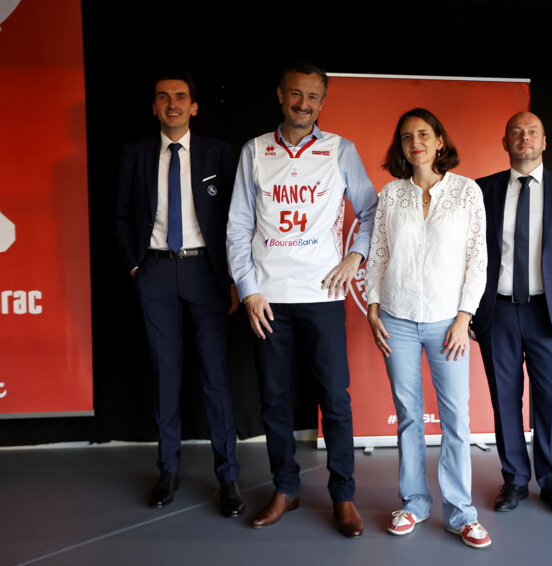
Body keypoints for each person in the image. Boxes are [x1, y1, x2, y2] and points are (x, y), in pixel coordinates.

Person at [226, 62, 377, 538]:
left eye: (313, 97)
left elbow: (371, 210)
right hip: (269, 299)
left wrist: (356, 254)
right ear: (280, 95)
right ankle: (285, 489)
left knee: (334, 399)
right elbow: (237, 226)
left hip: (323, 294)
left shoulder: (340, 150)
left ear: (322, 102)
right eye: (296, 94)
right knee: (273, 398)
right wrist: (248, 290)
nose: (303, 104)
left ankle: (344, 496)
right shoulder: (255, 150)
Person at [115, 72, 244, 517]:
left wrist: (230, 279)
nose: (172, 104)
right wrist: (136, 267)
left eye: (181, 97)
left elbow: (234, 218)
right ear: (154, 107)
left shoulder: (217, 152)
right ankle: (167, 470)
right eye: (163, 97)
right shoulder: (135, 152)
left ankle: (228, 476)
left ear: (194, 107)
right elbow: (122, 215)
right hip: (154, 272)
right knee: (164, 375)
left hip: (205, 274)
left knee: (215, 378)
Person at [365, 108, 491, 549]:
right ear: (400, 147)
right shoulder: (390, 195)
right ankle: (415, 503)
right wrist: (373, 308)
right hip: (396, 319)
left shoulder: (466, 193)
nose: (414, 142)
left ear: (440, 140)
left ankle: (461, 513)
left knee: (456, 419)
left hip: (447, 323)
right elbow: (378, 255)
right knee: (408, 417)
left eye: (423, 134)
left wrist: (463, 317)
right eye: (405, 137)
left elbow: (478, 260)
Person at [473, 111, 552, 518]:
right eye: (516, 133)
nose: (524, 138)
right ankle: (513, 481)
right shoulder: (484, 190)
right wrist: (470, 309)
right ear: (504, 142)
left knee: (551, 401)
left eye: (532, 133)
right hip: (499, 313)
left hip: (550, 314)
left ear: (544, 142)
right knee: (504, 400)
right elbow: (469, 256)